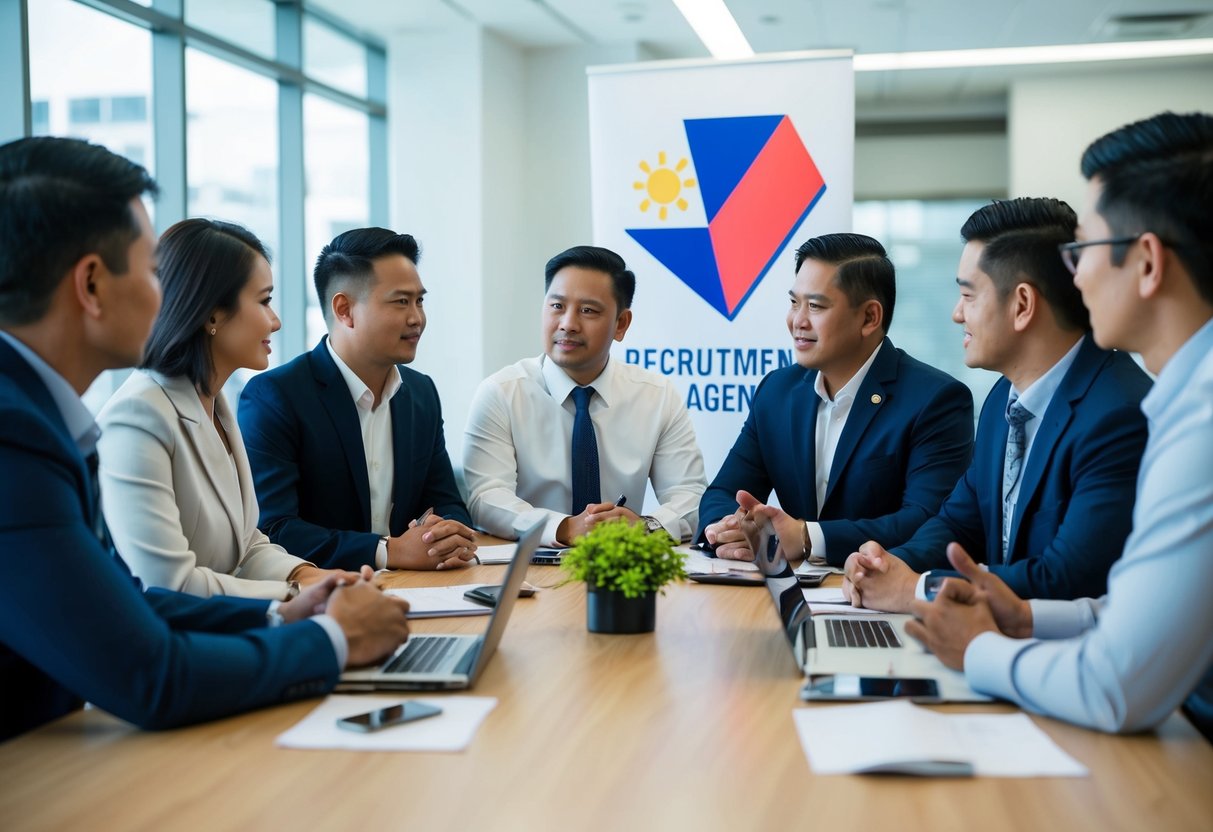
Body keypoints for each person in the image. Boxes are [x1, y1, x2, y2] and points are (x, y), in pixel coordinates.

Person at [0, 136, 409, 742]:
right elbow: (148, 670)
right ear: (90, 286)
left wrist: (284, 612)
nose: (165, 295)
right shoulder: (18, 436)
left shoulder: (48, 416)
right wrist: (330, 639)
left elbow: (123, 600)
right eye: (149, 271)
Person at [905, 111, 1213, 738]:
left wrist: (976, 647)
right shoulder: (1182, 402)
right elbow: (1134, 610)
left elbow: (1115, 688)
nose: (1073, 275)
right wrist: (1025, 619)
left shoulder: (1196, 425)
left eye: (1085, 250)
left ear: (1148, 263)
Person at [834, 197, 1152, 612]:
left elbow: (1069, 577)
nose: (956, 314)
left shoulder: (1118, 414)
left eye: (968, 295)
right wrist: (889, 565)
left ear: (1022, 305)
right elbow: (958, 523)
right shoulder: (1005, 397)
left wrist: (918, 588)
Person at [97, 219, 355, 600]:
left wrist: (316, 578)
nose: (276, 321)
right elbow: (170, 585)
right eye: (265, 300)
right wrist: (297, 597)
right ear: (212, 314)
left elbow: (246, 546)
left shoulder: (215, 403)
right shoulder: (138, 417)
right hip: (180, 647)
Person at [699, 233, 973, 565]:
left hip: (878, 596)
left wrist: (806, 537)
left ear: (870, 317)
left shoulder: (935, 400)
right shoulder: (776, 391)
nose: (798, 321)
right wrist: (728, 529)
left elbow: (927, 521)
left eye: (815, 306)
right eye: (794, 302)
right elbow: (722, 492)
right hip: (789, 595)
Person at [238, 228, 476, 572]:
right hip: (320, 595)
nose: (416, 318)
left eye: (419, 301)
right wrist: (387, 551)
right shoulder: (275, 396)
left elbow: (446, 500)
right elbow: (274, 529)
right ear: (344, 309)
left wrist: (446, 531)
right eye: (400, 301)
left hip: (416, 588)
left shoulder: (421, 392)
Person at [463, 245, 706, 545]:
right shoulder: (501, 393)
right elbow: (486, 498)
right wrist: (562, 528)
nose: (568, 323)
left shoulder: (656, 396)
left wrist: (645, 526)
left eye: (588, 311)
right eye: (557, 306)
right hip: (529, 570)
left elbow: (692, 496)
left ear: (621, 324)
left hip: (617, 568)